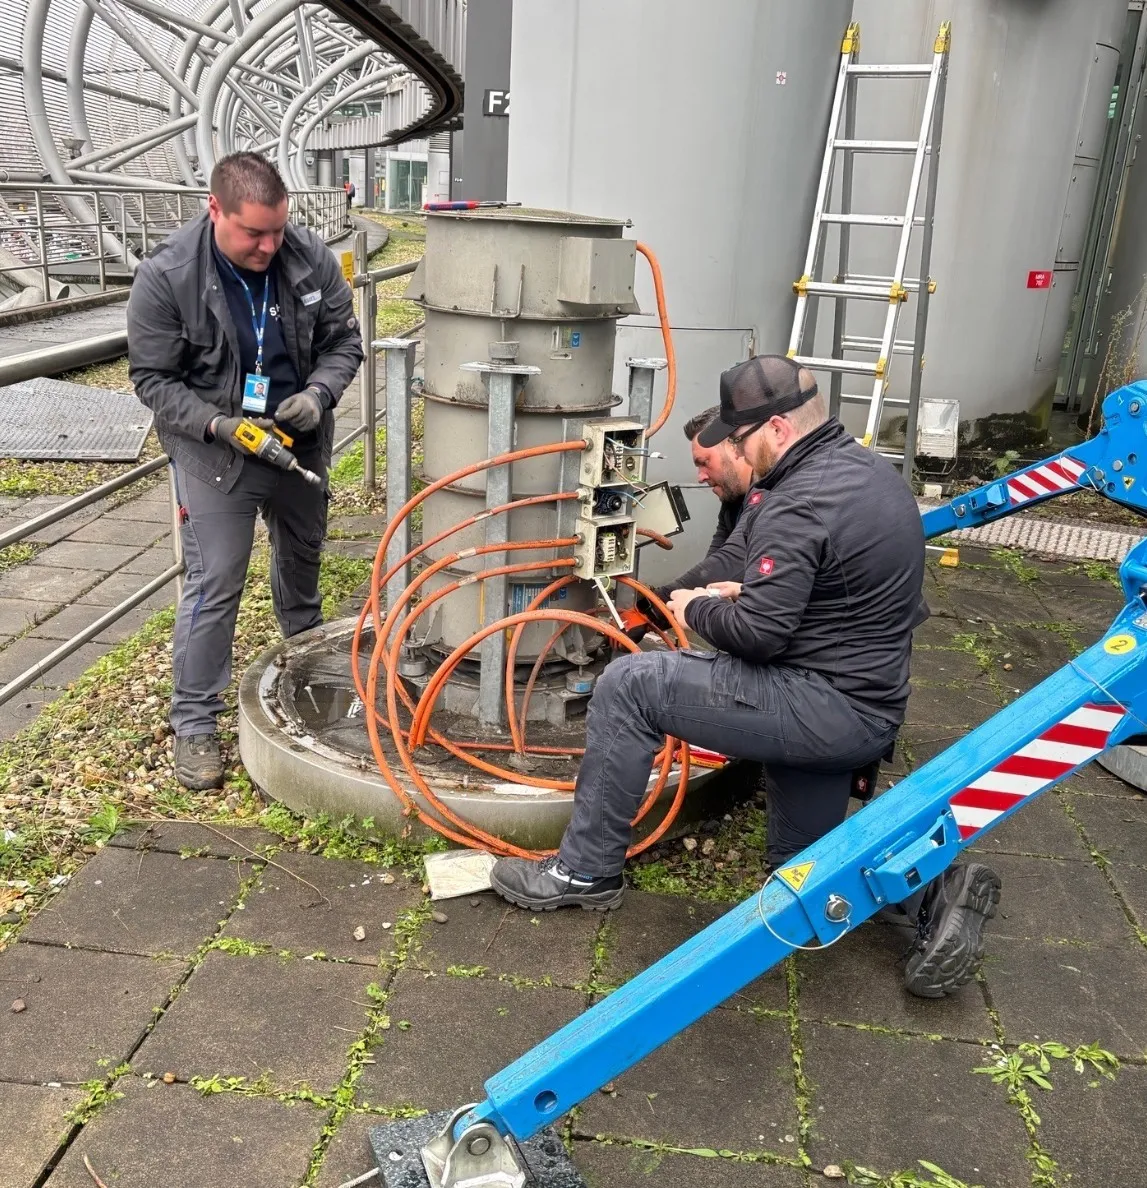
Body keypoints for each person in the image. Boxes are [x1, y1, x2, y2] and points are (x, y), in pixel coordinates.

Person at [491, 354, 1001, 999]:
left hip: (820, 704)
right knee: (800, 876)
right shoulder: (870, 474)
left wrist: (693, 608)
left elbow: (759, 636)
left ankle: (584, 872)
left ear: (779, 429)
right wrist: (734, 595)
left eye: (739, 440)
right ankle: (936, 892)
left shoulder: (799, 500)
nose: (736, 451)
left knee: (630, 687)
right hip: (868, 704)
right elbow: (815, 589)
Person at [127, 152, 364, 791]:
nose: (267, 246)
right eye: (252, 233)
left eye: (277, 231)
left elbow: (347, 342)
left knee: (301, 566)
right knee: (216, 581)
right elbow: (151, 377)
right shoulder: (168, 275)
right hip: (218, 456)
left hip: (299, 446)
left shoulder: (310, 256)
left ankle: (307, 679)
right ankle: (195, 724)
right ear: (215, 211)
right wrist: (216, 424)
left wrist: (318, 393)